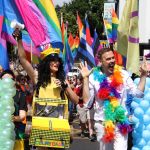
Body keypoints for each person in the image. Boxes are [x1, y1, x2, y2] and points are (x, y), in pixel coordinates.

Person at [79, 48, 147, 150]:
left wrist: (143, 76)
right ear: (101, 61)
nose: (112, 61)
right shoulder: (93, 77)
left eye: (112, 58)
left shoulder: (123, 74)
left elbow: (138, 94)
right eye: (108, 59)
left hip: (121, 123)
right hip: (103, 124)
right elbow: (87, 103)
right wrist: (85, 79)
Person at [0, 69, 27, 150]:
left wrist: (13, 118)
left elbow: (22, 116)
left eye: (10, 79)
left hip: (15, 134)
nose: (7, 82)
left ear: (14, 81)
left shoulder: (20, 95)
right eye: (5, 80)